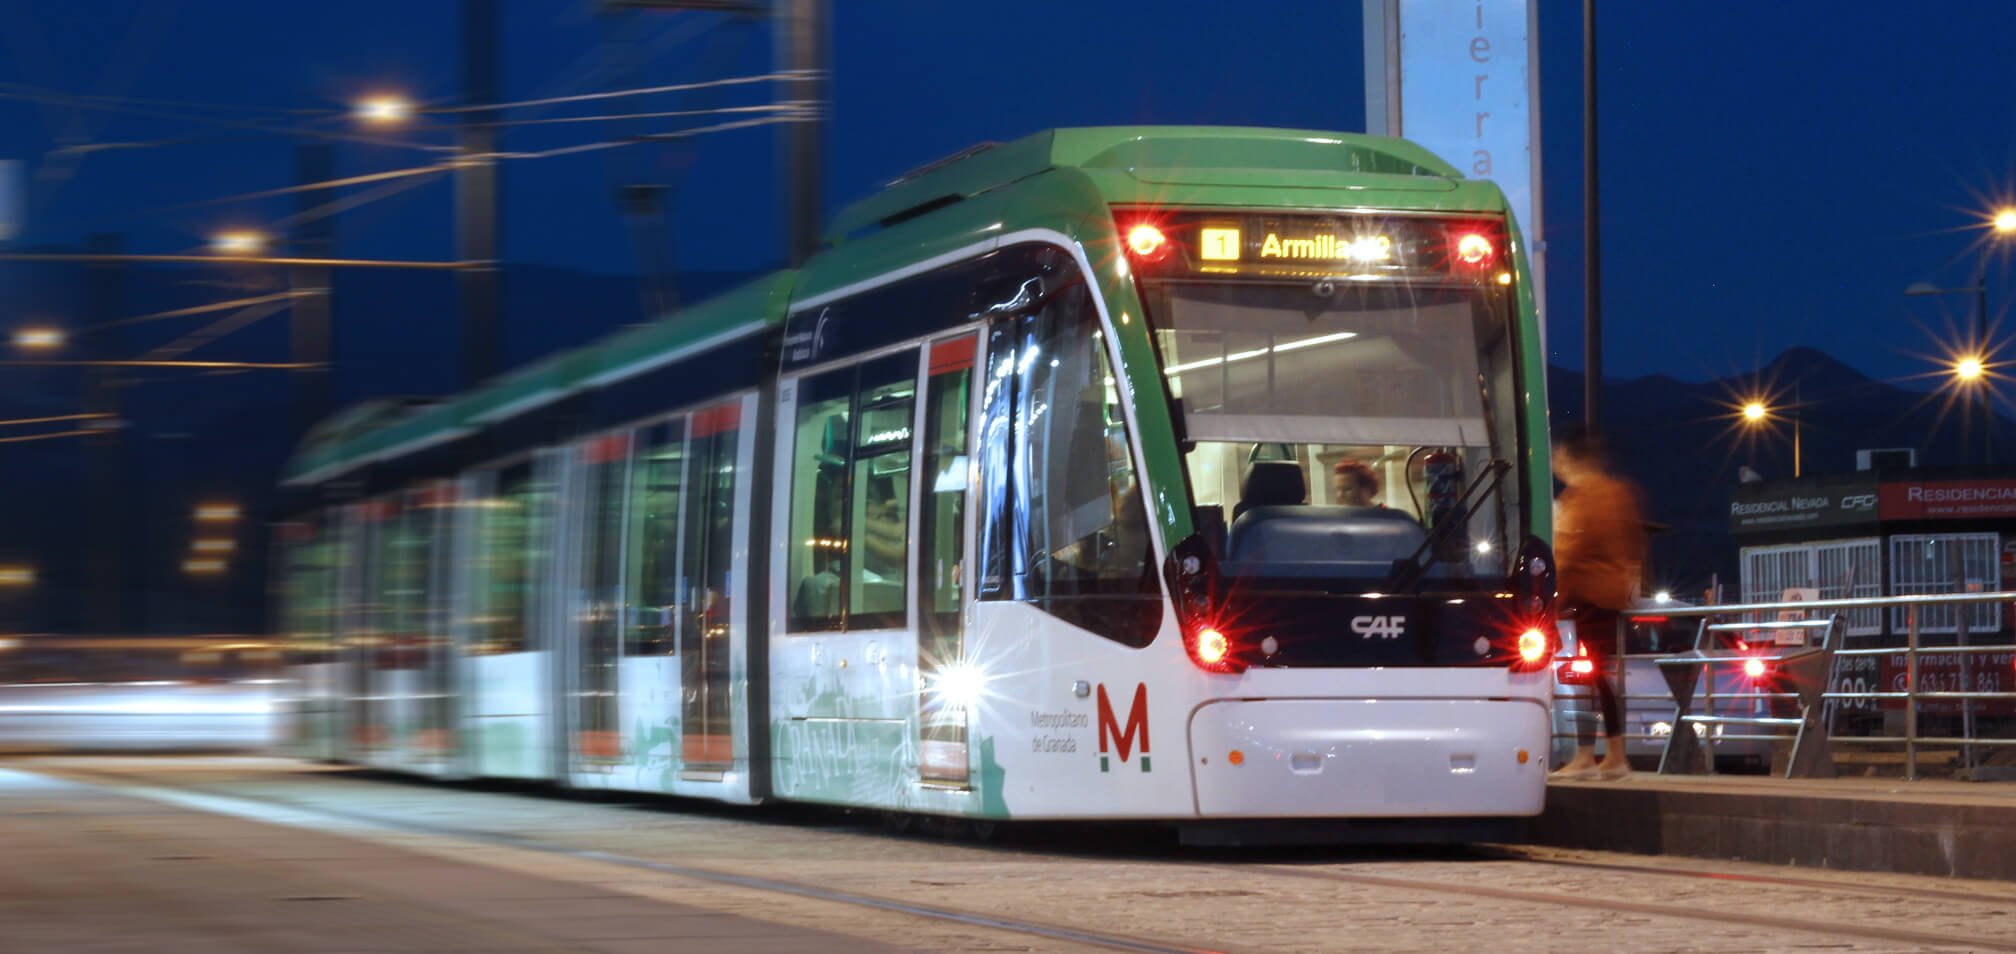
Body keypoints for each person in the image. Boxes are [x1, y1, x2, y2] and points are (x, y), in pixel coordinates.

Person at [1551, 426, 1648, 781]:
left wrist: (1552, 595)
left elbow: (1568, 551)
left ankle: (1587, 755)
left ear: (1571, 459)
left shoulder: (1580, 497)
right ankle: (1614, 755)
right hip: (1611, 594)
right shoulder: (1619, 492)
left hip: (1585, 595)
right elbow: (1634, 543)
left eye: (1559, 458)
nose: (1556, 465)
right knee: (1600, 675)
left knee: (1587, 675)